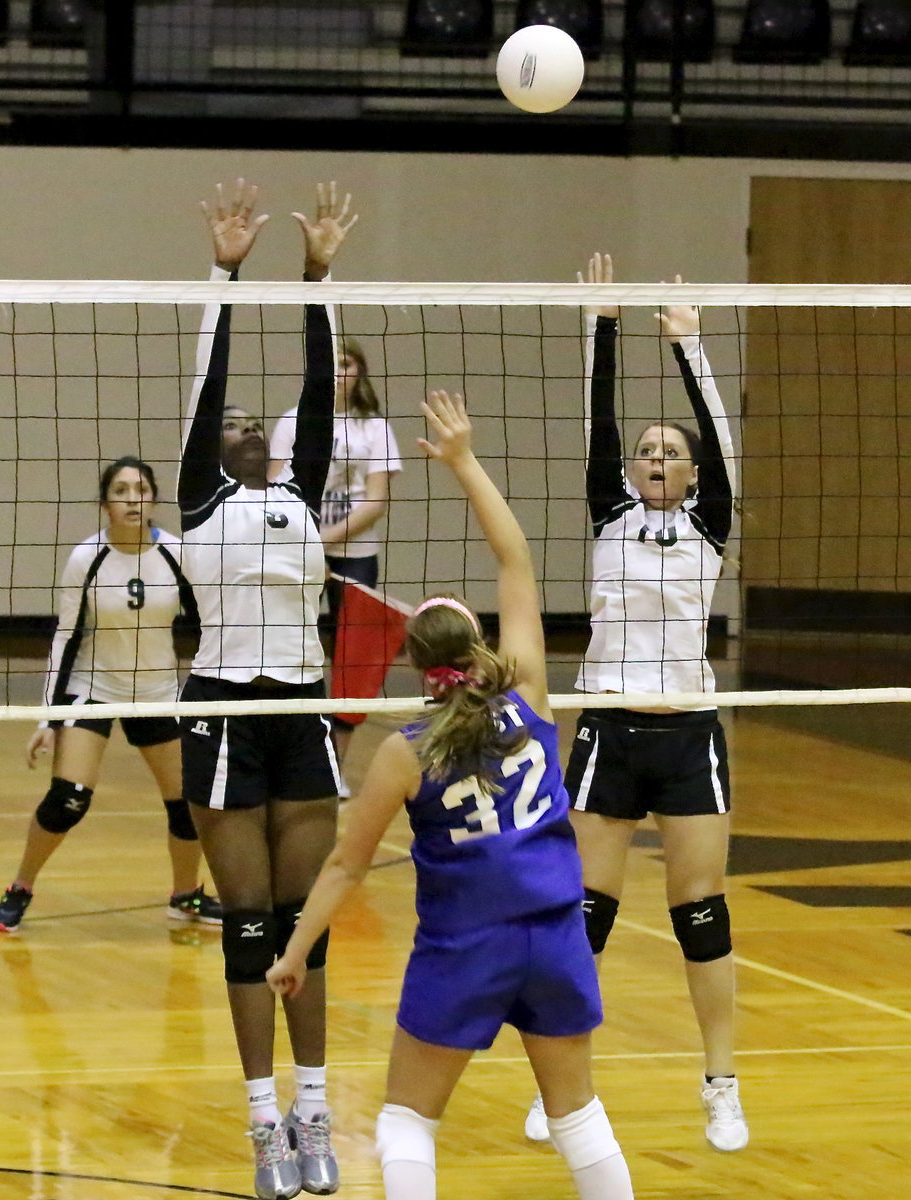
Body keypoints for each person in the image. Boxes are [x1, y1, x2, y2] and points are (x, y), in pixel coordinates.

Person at [268, 390, 635, 1200]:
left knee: (406, 1123)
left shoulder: (403, 754)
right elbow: (516, 563)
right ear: (478, 645)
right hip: (554, 935)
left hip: (465, 946)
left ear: (413, 666)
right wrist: (465, 463)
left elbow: (342, 865)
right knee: (577, 1117)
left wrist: (294, 953)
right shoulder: (531, 697)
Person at [525, 253, 744, 1152]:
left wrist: (690, 349)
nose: (657, 456)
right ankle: (563, 1092)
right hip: (610, 729)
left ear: (691, 475)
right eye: (647, 451)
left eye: (671, 453)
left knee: (700, 915)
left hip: (687, 733)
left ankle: (720, 1085)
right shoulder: (609, 514)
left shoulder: (709, 523)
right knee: (587, 914)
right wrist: (601, 325)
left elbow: (718, 439)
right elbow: (597, 422)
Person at [176, 178, 355, 1200]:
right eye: (230, 424)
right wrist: (225, 270)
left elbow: (321, 387)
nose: (244, 426)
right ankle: (261, 1123)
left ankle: (316, 1107)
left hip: (297, 713)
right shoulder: (204, 499)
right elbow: (208, 379)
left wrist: (318, 277)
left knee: (304, 924)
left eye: (258, 423)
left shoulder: (297, 490)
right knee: (247, 926)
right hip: (222, 715)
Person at [0, 456, 221, 934]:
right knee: (68, 799)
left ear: (153, 498)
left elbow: (212, 624)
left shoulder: (179, 555)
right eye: (121, 491)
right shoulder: (87, 558)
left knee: (187, 804)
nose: (133, 498)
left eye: (141, 489)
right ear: (105, 505)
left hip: (157, 693)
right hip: (94, 689)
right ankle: (20, 887)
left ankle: (185, 896)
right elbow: (65, 638)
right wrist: (49, 720)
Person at [269, 337, 402, 795]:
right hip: (299, 559)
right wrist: (306, 549)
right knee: (290, 652)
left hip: (355, 558)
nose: (340, 371)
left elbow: (377, 500)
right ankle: (289, 760)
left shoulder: (376, 429)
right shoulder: (292, 422)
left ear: (360, 372)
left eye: (348, 363)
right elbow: (277, 495)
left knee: (353, 663)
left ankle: (334, 769)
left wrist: (322, 541)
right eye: (333, 363)